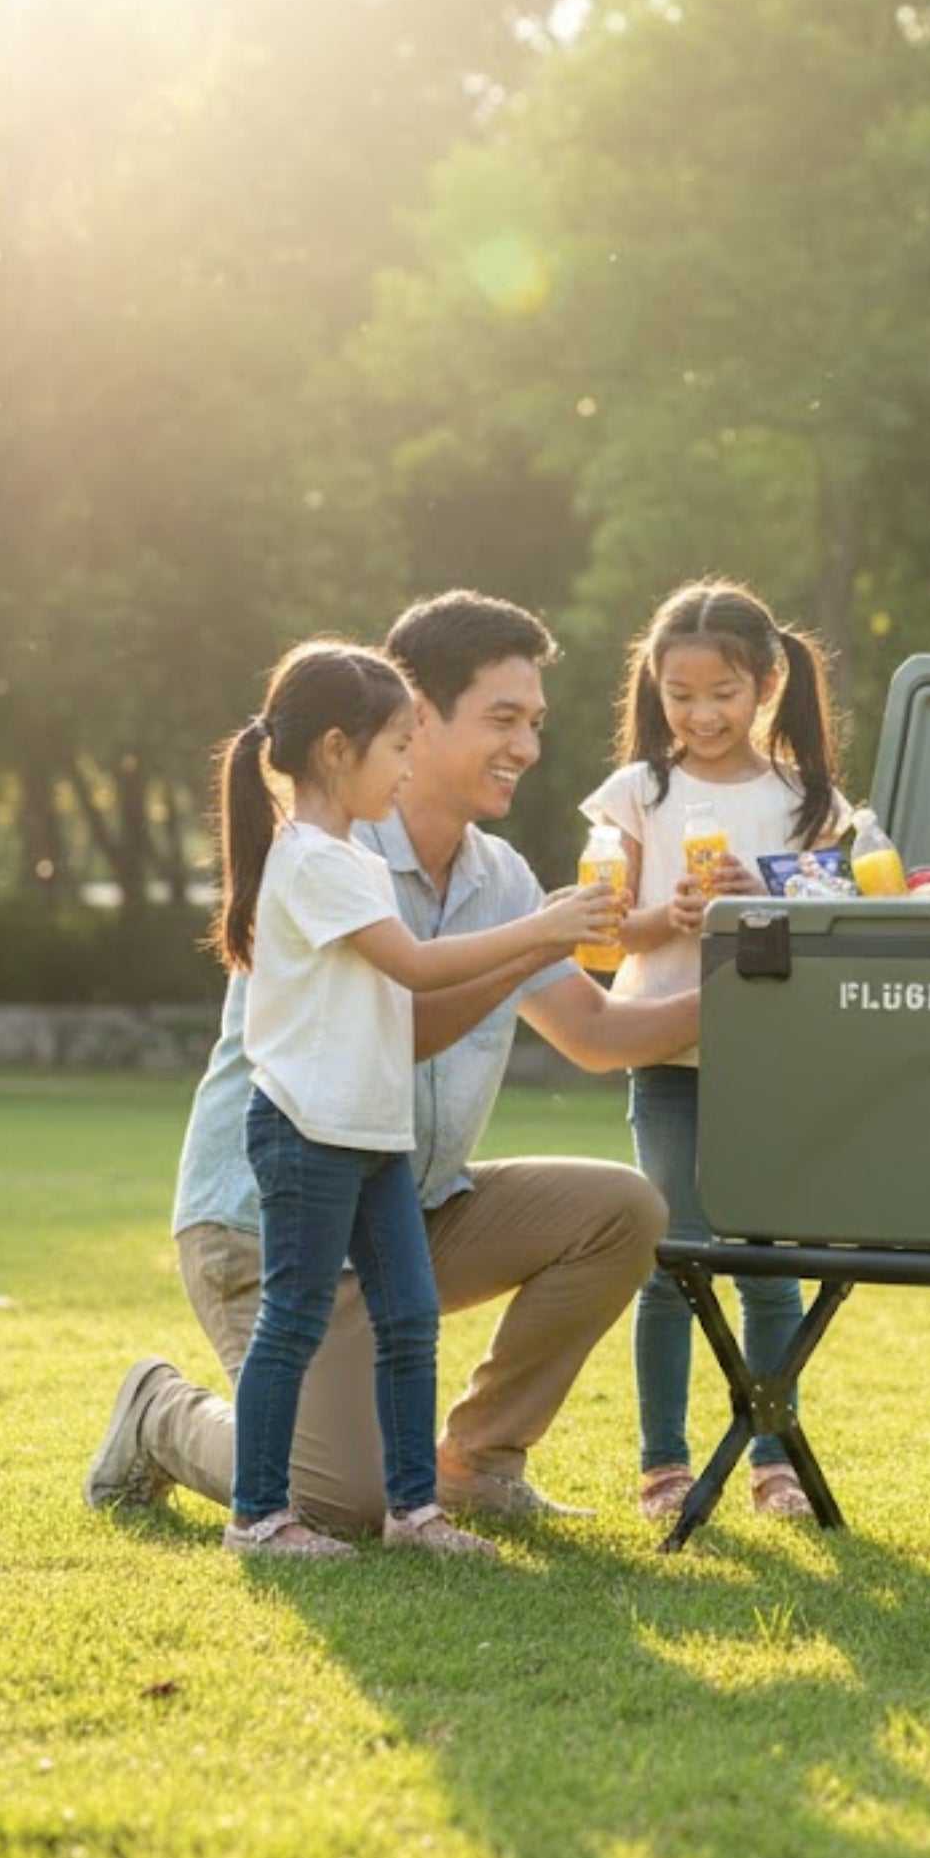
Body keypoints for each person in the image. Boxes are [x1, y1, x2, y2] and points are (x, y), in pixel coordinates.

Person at [86, 593, 699, 1544]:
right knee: (338, 1503)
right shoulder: (328, 855)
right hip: (270, 1224)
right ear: (415, 712)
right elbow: (395, 1026)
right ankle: (160, 1414)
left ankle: (477, 1465)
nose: (527, 748)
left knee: (621, 1210)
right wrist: (531, 942)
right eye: (503, 719)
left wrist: (746, 989)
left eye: (535, 723)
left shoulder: (499, 875)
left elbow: (596, 1034)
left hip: (406, 1208)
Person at [208, 640, 619, 1559]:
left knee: (410, 1316)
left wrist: (548, 930)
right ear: (334, 750)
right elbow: (416, 967)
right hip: (307, 1131)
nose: (407, 764)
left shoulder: (346, 857)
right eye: (397, 745)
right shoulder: (310, 860)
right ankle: (259, 1520)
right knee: (295, 1320)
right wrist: (543, 929)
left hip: (369, 1130)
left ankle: (413, 1512)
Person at [581, 579, 850, 1522]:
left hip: (773, 1065)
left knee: (769, 1268)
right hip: (666, 1059)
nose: (700, 714)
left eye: (723, 694)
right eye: (679, 694)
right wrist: (674, 912)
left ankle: (775, 1460)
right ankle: (665, 1463)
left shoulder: (805, 800)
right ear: (654, 687)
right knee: (670, 1258)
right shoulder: (638, 793)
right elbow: (602, 933)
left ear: (767, 683)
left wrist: (763, 902)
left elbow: (839, 925)